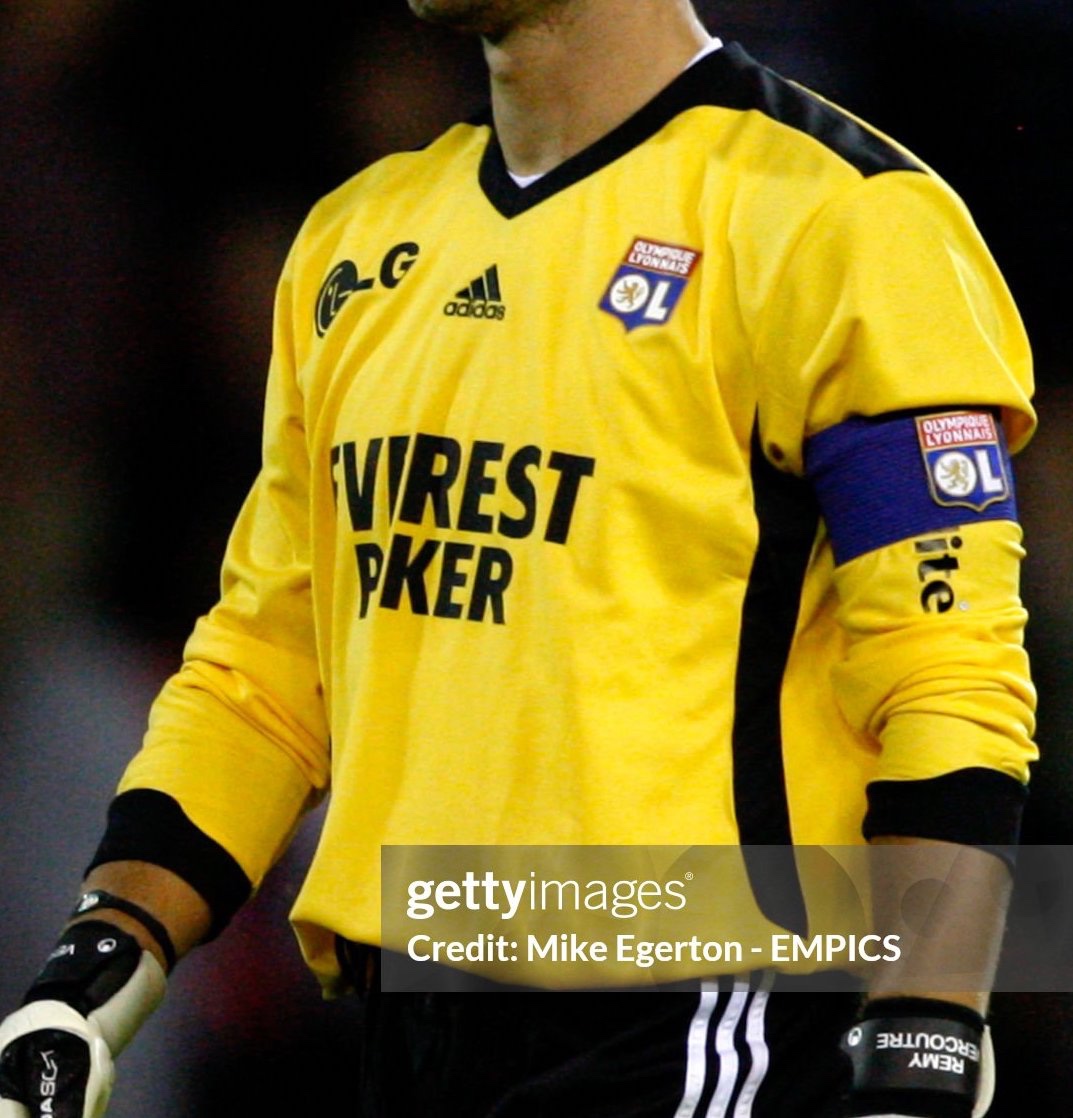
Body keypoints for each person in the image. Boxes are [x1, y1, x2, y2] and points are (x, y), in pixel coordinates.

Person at [0, 1, 1038, 1115]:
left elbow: (946, 672)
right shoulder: (355, 239)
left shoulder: (843, 219)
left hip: (700, 1014)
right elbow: (264, 666)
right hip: (411, 1013)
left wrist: (926, 1022)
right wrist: (105, 951)